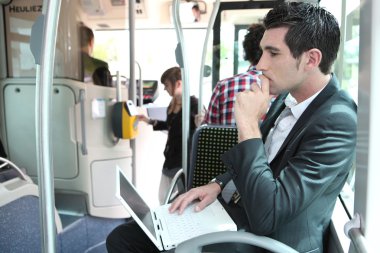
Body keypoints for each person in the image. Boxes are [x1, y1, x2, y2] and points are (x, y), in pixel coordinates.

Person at [107, 2, 357, 252]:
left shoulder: (337, 120)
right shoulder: (285, 96)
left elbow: (268, 214)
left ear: (311, 59)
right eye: (261, 53)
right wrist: (217, 184)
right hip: (240, 213)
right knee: (131, 234)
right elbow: (267, 158)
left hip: (269, 240)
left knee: (129, 242)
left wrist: (247, 123)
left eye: (273, 53)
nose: (260, 65)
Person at [136, 66, 198, 205]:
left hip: (183, 159)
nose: (164, 89)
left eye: (166, 85)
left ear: (178, 84)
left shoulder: (194, 104)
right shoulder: (173, 104)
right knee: (163, 196)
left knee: (175, 198)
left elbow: (199, 128)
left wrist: (200, 122)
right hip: (170, 157)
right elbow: (170, 126)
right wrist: (147, 120)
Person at [202, 23, 265, 126]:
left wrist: (200, 123)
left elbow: (209, 132)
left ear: (246, 52)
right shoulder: (282, 91)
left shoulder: (223, 86)